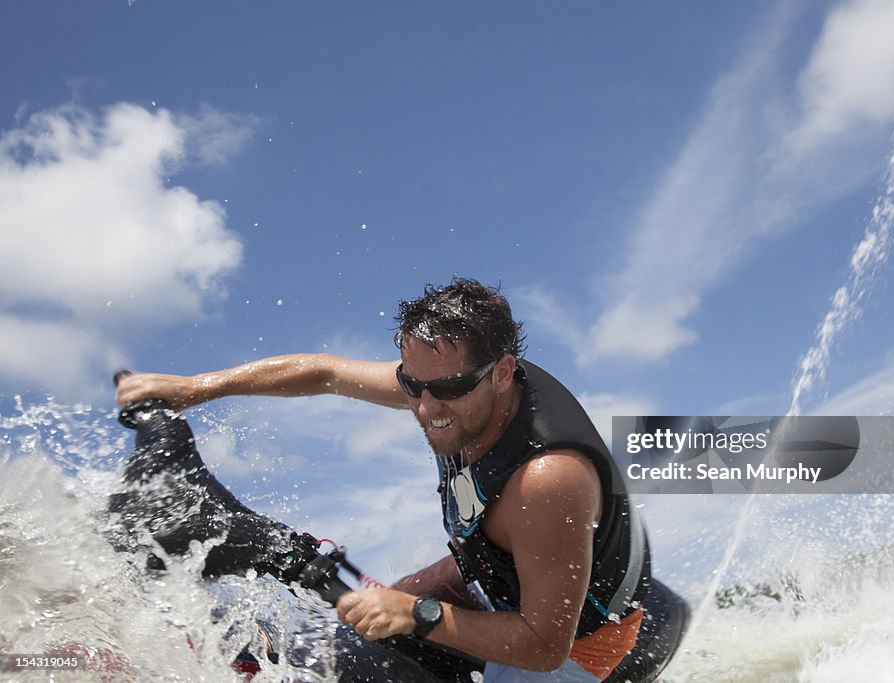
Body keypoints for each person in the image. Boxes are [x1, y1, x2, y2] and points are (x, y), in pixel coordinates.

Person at [116, 278, 685, 682]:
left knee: (404, 610)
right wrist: (197, 388)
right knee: (374, 615)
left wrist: (418, 614)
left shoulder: (547, 479)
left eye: (448, 390)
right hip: (499, 573)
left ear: (503, 372)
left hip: (576, 648)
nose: (425, 409)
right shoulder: (447, 382)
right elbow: (325, 372)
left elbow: (542, 646)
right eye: (413, 387)